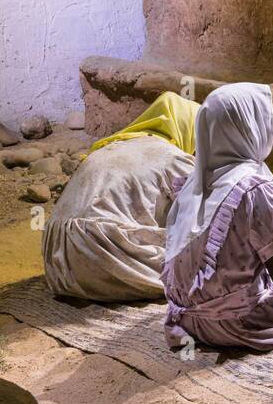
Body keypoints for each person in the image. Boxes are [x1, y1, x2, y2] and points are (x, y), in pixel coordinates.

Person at [162, 83, 273, 351]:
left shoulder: (196, 182)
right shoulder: (258, 191)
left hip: (186, 319)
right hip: (234, 323)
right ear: (250, 127)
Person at [43, 92, 200, 302]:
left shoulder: (112, 145)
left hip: (59, 265)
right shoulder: (174, 158)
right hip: (103, 254)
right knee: (213, 264)